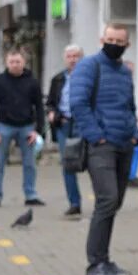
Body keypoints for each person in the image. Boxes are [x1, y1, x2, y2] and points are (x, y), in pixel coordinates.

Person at [70, 23, 138, 275]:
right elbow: (78, 103)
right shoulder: (89, 66)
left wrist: (135, 132)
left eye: (119, 40)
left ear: (127, 44)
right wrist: (96, 136)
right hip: (102, 146)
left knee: (114, 202)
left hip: (124, 144)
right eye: (110, 38)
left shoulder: (124, 71)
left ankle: (104, 259)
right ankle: (95, 264)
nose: (113, 43)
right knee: (107, 199)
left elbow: (129, 106)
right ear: (102, 39)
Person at [0, 48, 46, 208]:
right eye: (11, 62)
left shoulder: (32, 82)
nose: (15, 65)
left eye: (18, 61)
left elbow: (39, 107)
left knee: (30, 163)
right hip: (3, 126)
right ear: (6, 62)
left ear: (24, 62)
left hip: (27, 127)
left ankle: (31, 194)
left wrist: (38, 130)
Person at [46, 44, 84, 217]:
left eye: (76, 56)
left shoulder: (88, 77)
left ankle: (102, 201)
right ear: (65, 59)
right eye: (69, 56)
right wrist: (52, 113)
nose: (73, 59)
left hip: (83, 124)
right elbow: (51, 102)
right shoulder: (58, 79)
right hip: (64, 124)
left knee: (91, 161)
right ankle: (74, 203)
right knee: (67, 163)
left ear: (82, 58)